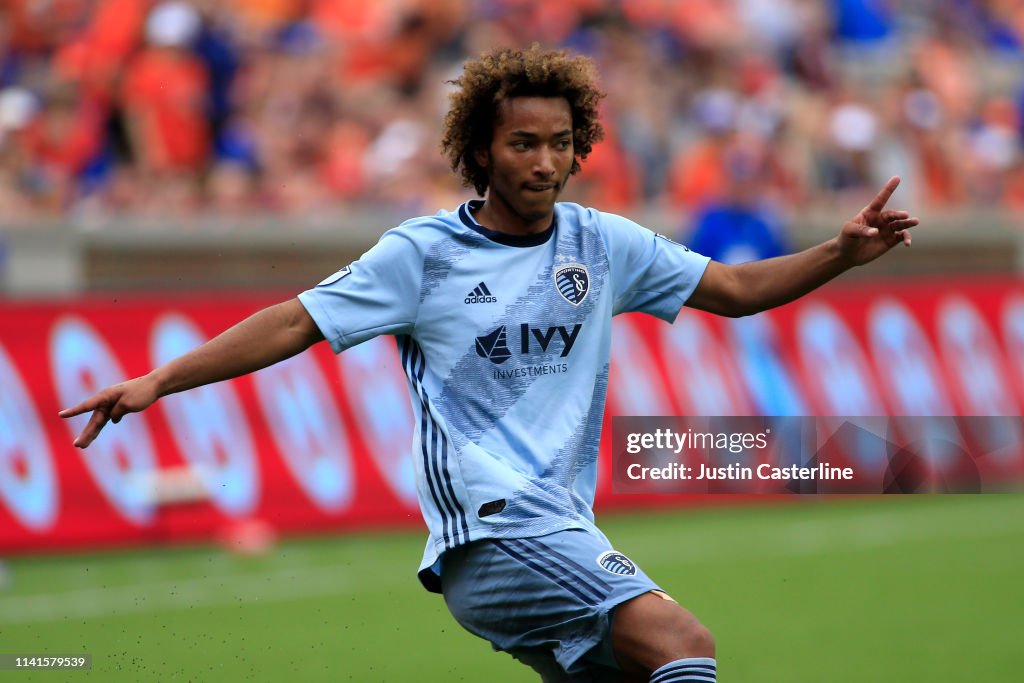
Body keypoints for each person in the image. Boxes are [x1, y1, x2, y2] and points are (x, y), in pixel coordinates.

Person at [59, 46, 918, 683]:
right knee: (685, 645)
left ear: (580, 145)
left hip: (562, 530)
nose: (542, 162)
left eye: (558, 142)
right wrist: (159, 380)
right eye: (520, 144)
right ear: (481, 150)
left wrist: (840, 253)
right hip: (495, 532)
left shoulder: (600, 241)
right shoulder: (423, 254)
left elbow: (731, 286)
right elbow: (294, 321)